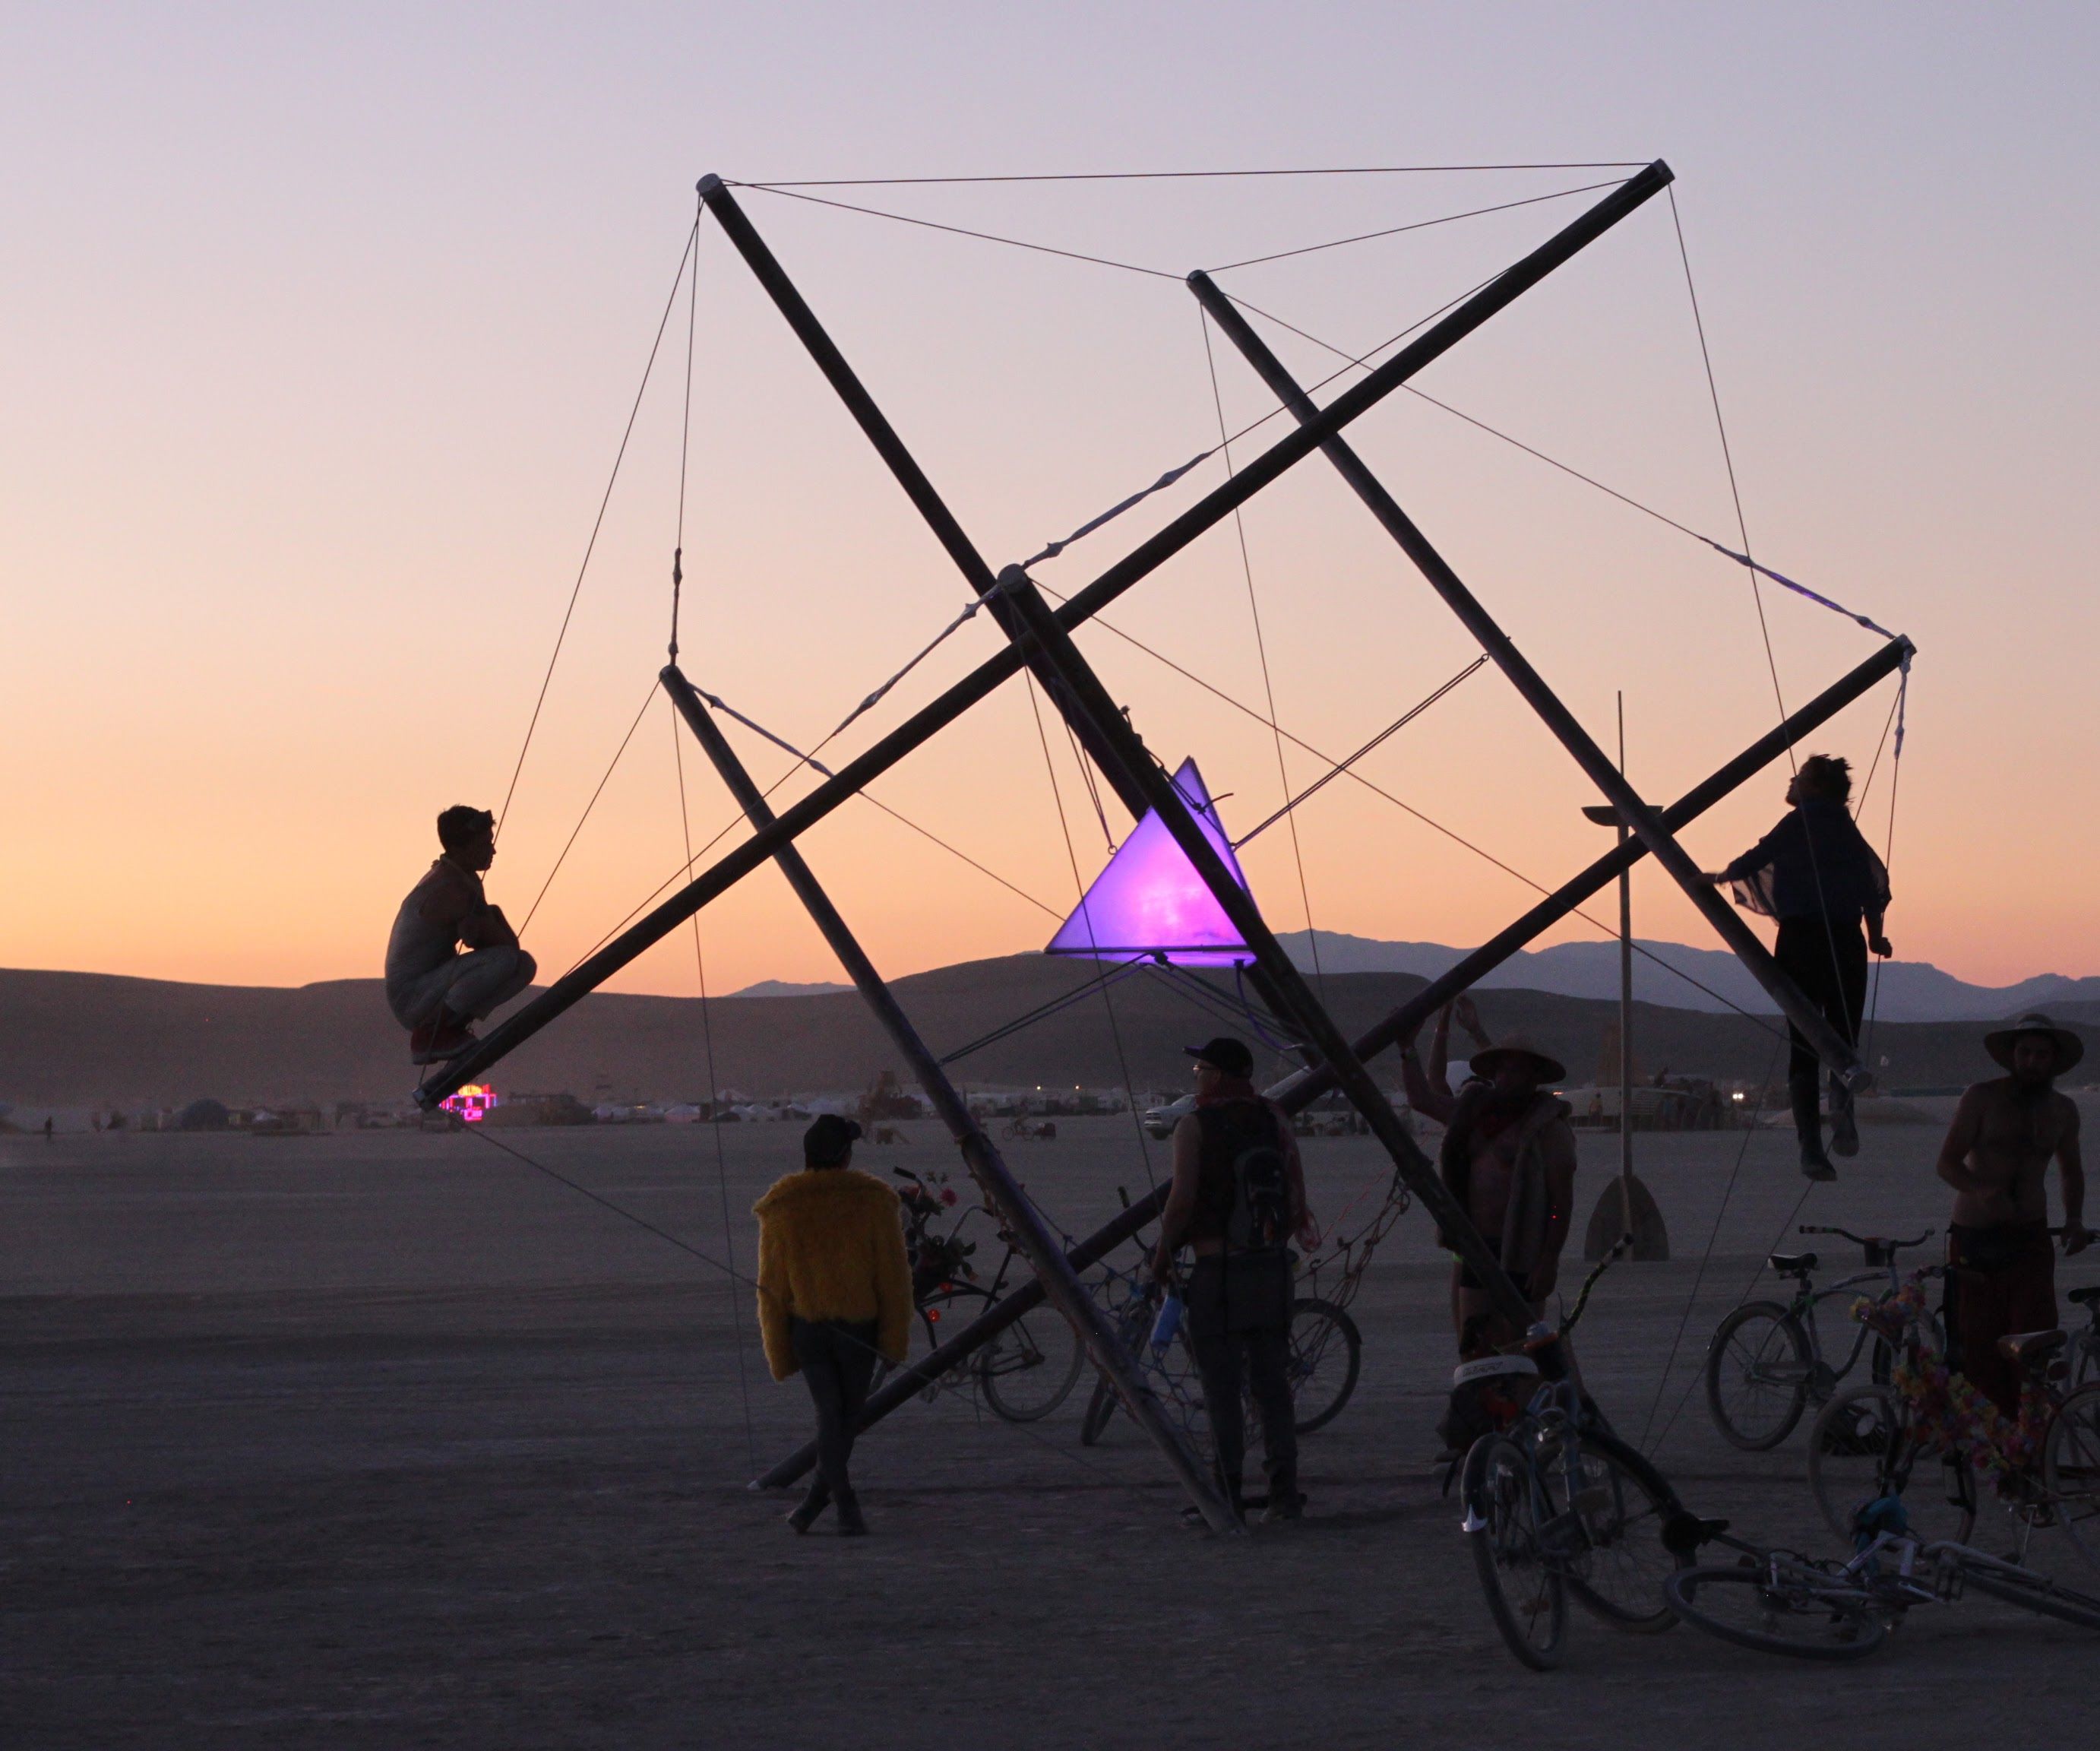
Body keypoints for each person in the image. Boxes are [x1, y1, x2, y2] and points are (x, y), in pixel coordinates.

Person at [1151, 1035, 1318, 1524]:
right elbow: (1294, 1197)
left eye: (1200, 1069)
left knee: (1222, 1388)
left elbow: (1181, 1203)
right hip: (1271, 1269)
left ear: (1218, 1076)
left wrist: (1162, 1256)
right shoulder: (1274, 1119)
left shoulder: (1195, 1125)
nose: (1197, 1077)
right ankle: (1284, 1494)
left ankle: (1227, 1496)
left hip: (1219, 1272)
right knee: (1271, 1387)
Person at [1703, 754, 1891, 1181]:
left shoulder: (1800, 821)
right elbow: (1872, 892)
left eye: (1801, 777)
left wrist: (1714, 878)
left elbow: (1755, 859)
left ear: (1818, 787)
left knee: (1805, 1044)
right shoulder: (1847, 829)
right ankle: (1843, 1113)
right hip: (1846, 941)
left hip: (1802, 940)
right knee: (1843, 1036)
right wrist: (1877, 937)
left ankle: (1810, 1145)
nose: (1792, 782)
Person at [754, 1114, 913, 1535]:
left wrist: (778, 1347)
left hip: (808, 1330)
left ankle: (810, 1507)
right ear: (845, 1156)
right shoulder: (873, 1201)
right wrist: (894, 1341)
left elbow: (770, 1287)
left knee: (830, 1417)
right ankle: (846, 1505)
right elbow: (894, 1278)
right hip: (856, 1331)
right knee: (842, 1423)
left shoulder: (782, 1205)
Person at [1933, 1015, 2090, 1417]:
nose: (2032, 1062)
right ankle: (1994, 1449)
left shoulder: (2063, 1110)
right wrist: (1983, 1192)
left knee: (2034, 1345)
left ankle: (2033, 1447)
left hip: (2029, 1240)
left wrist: (2073, 1220)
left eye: (2041, 1055)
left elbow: (2071, 1170)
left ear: (2054, 1061)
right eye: (2025, 1053)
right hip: (1975, 1238)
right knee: (1980, 1348)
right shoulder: (1981, 1098)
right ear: (2011, 1057)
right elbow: (1948, 1163)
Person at [1432, 1034, 1577, 1359]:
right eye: (1500, 1070)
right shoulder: (1477, 1117)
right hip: (1477, 1245)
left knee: (1518, 1352)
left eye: (1515, 1070)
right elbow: (1422, 1096)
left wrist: (1548, 1261)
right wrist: (1408, 1048)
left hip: (1523, 1251)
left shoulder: (1549, 1128)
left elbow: (1560, 1204)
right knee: (1473, 1350)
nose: (1504, 1077)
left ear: (1534, 1077)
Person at [385, 806, 537, 1064]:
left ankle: (450, 1029)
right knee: (506, 960)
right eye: (484, 844)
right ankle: (430, 1035)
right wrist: (492, 917)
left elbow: (490, 938)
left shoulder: (462, 878)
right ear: (458, 849)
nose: (493, 850)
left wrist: (490, 916)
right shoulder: (452, 888)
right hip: (413, 998)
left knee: (523, 965)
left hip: (428, 989)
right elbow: (504, 946)